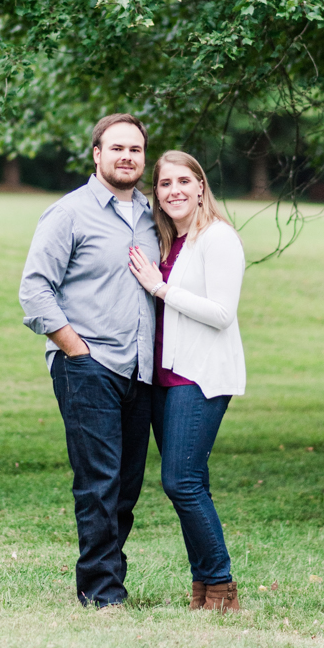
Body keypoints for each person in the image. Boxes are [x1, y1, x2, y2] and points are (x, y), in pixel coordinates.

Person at [19, 114, 160, 609]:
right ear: (96, 154)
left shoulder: (151, 215)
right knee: (98, 481)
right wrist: (76, 350)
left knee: (125, 485)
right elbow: (34, 290)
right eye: (117, 148)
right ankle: (102, 593)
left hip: (141, 370)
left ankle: (106, 579)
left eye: (136, 150)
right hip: (89, 366)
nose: (127, 157)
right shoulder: (69, 214)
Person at [128, 151, 245, 613]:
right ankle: (205, 592)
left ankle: (221, 585)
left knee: (180, 482)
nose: (173, 190)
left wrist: (160, 288)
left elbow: (221, 313)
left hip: (198, 376)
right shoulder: (167, 241)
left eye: (183, 181)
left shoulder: (218, 238)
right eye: (163, 183)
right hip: (161, 377)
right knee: (192, 480)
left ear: (200, 187)